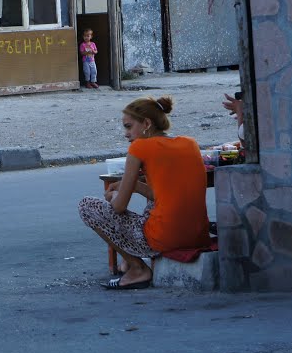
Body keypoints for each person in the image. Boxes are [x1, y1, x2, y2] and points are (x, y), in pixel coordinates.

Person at [78, 95, 211, 289]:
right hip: (198, 235)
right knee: (158, 202)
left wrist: (115, 195)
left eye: (128, 126)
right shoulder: (190, 142)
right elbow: (166, 195)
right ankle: (129, 259)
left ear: (147, 123)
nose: (126, 133)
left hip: (165, 238)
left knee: (87, 206)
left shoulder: (139, 147)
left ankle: (136, 267)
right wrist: (135, 187)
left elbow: (119, 206)